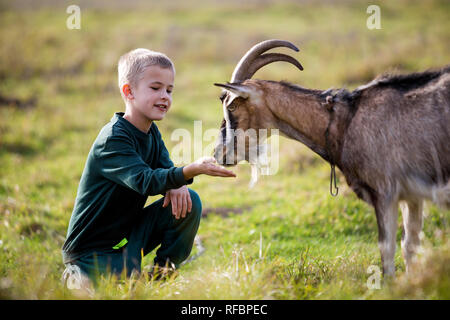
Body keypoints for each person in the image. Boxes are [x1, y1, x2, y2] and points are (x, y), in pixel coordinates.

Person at [61, 48, 235, 290]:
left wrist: (177, 184)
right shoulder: (113, 139)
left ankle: (161, 279)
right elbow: (145, 180)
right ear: (128, 91)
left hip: (128, 241)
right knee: (95, 291)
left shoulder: (151, 133)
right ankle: (76, 277)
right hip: (89, 254)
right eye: (155, 88)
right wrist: (191, 170)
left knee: (188, 201)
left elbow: (166, 171)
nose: (165, 96)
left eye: (169, 90)